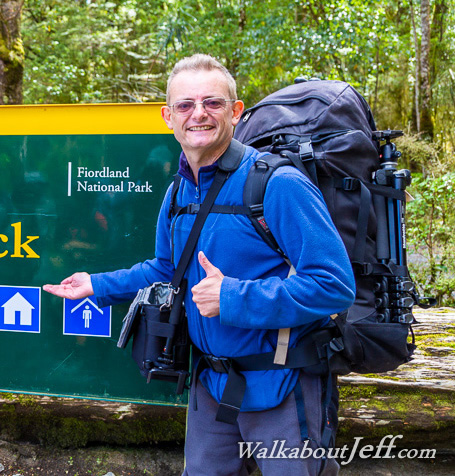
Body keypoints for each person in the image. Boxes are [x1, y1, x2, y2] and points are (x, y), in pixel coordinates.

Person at [43, 54, 355, 475]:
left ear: (236, 112)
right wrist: (95, 285)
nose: (199, 114)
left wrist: (232, 297)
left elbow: (334, 284)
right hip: (210, 383)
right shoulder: (177, 194)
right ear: (168, 116)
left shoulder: (276, 185)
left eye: (213, 103)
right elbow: (165, 271)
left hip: (282, 383)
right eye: (186, 105)